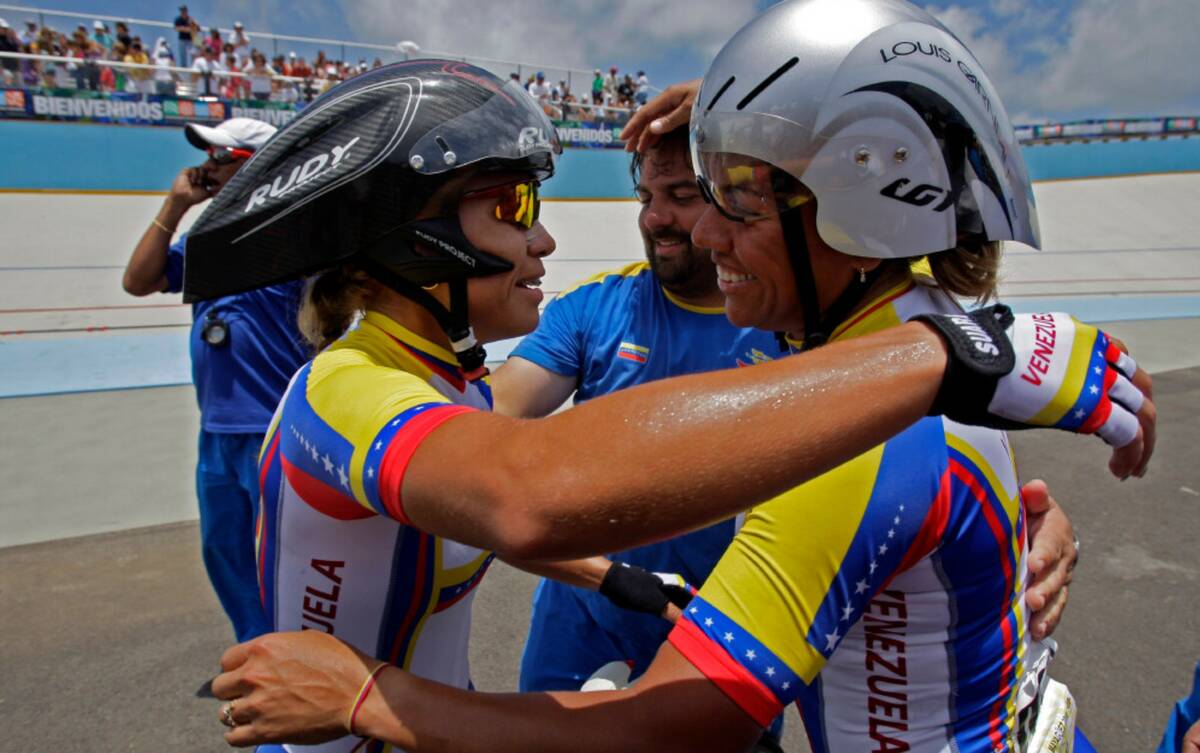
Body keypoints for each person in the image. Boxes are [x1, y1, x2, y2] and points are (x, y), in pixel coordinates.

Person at [208, 4, 1155, 752]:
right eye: (511, 207)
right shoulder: (890, 366)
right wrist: (953, 352)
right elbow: (521, 484)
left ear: (859, 203)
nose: (695, 228)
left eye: (728, 196)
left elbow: (676, 717)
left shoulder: (863, 399)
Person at [504, 125, 1079, 711]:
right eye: (646, 198)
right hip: (581, 626)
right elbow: (488, 428)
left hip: (734, 635)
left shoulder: (808, 327)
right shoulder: (596, 306)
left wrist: (1018, 519)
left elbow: (939, 454)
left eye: (682, 196)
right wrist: (606, 576)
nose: (658, 219)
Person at [122, 117, 310, 644]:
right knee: (224, 553)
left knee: (284, 557)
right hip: (219, 434)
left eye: (219, 156)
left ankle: (300, 656)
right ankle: (257, 650)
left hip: (274, 429)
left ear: (253, 167)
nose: (205, 165)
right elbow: (138, 281)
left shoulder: (295, 239)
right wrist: (176, 206)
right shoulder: (207, 240)